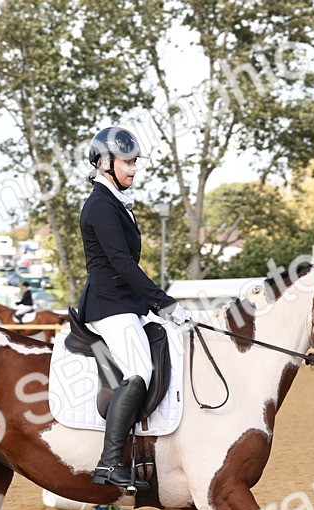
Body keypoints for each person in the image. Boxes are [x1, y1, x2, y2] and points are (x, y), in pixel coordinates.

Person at [80, 125, 190, 489]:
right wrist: (164, 302)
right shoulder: (100, 205)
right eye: (127, 162)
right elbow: (122, 264)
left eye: (134, 162)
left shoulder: (116, 203)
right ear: (105, 162)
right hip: (108, 308)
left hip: (127, 305)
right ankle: (110, 463)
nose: (133, 168)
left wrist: (152, 307)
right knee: (140, 371)